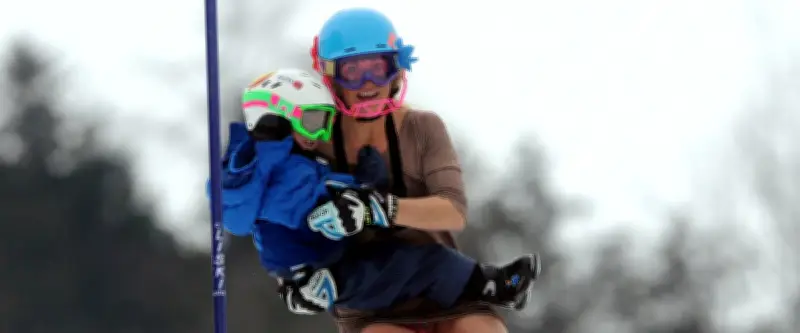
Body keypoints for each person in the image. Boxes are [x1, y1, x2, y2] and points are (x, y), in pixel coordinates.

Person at [283, 7, 543, 333]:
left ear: (397, 69)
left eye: (378, 68)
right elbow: (279, 211)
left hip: (447, 292)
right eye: (353, 71)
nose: (368, 84)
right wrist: (291, 278)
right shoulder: (314, 139)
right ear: (331, 77)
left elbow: (452, 211)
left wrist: (378, 210)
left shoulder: (422, 129)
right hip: (370, 308)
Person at [218, 68, 540, 315]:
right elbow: (305, 202)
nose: (319, 134)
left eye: (325, 122)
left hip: (330, 254)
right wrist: (359, 188)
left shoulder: (286, 163)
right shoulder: (270, 173)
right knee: (410, 266)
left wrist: (362, 183)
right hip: (319, 270)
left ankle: (487, 286)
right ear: (276, 118)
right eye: (313, 121)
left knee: (415, 257)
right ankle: (491, 286)